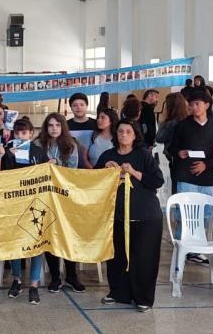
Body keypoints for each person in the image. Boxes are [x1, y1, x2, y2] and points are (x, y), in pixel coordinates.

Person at [95, 120, 164, 313]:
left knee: (143, 258)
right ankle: (118, 293)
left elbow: (157, 180)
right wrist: (103, 171)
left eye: (128, 132)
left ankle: (143, 298)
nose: (123, 134)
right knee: (116, 257)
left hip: (145, 216)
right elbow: (93, 184)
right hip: (115, 215)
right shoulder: (107, 155)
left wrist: (133, 172)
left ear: (135, 135)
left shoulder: (143, 155)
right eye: (120, 131)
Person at [0, 118, 48, 304]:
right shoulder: (9, 152)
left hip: (35, 205)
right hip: (14, 204)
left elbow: (47, 177)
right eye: (17, 133)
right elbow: (0, 177)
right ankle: (16, 280)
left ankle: (33, 284)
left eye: (24, 133)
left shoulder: (39, 152)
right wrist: (5, 156)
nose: (20, 136)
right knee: (15, 243)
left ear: (31, 134)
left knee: (36, 245)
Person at [167, 91, 213, 264]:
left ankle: (196, 248)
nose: (193, 107)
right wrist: (179, 152)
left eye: (197, 104)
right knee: (185, 215)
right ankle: (181, 249)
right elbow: (171, 147)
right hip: (185, 176)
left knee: (204, 215)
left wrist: (206, 165)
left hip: (206, 178)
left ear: (207, 105)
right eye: (191, 105)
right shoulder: (182, 125)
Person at [34, 113, 84, 292]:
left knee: (68, 236)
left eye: (57, 125)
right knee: (49, 236)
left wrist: (57, 166)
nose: (54, 128)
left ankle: (71, 275)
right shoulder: (37, 144)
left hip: (65, 197)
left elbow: (73, 172)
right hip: (44, 197)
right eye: (50, 125)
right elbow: (31, 168)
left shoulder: (70, 145)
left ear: (63, 127)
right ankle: (55, 276)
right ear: (45, 128)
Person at [156, 93, 188, 194]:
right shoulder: (187, 120)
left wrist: (163, 123)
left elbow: (159, 138)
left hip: (174, 157)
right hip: (187, 158)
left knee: (176, 186)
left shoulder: (170, 123)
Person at [67, 93, 97, 169]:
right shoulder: (65, 125)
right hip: (72, 165)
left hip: (93, 166)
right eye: (75, 105)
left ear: (87, 106)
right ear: (71, 107)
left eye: (81, 105)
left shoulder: (95, 124)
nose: (78, 107)